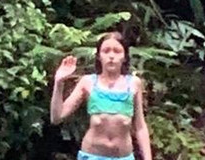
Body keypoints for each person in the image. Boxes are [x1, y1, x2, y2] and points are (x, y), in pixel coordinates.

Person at [50, 32, 153, 160]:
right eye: (106, 51)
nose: (111, 56)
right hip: (92, 155)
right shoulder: (88, 82)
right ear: (99, 56)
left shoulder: (134, 83)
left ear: (125, 57)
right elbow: (57, 117)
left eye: (117, 51)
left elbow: (140, 126)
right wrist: (59, 82)